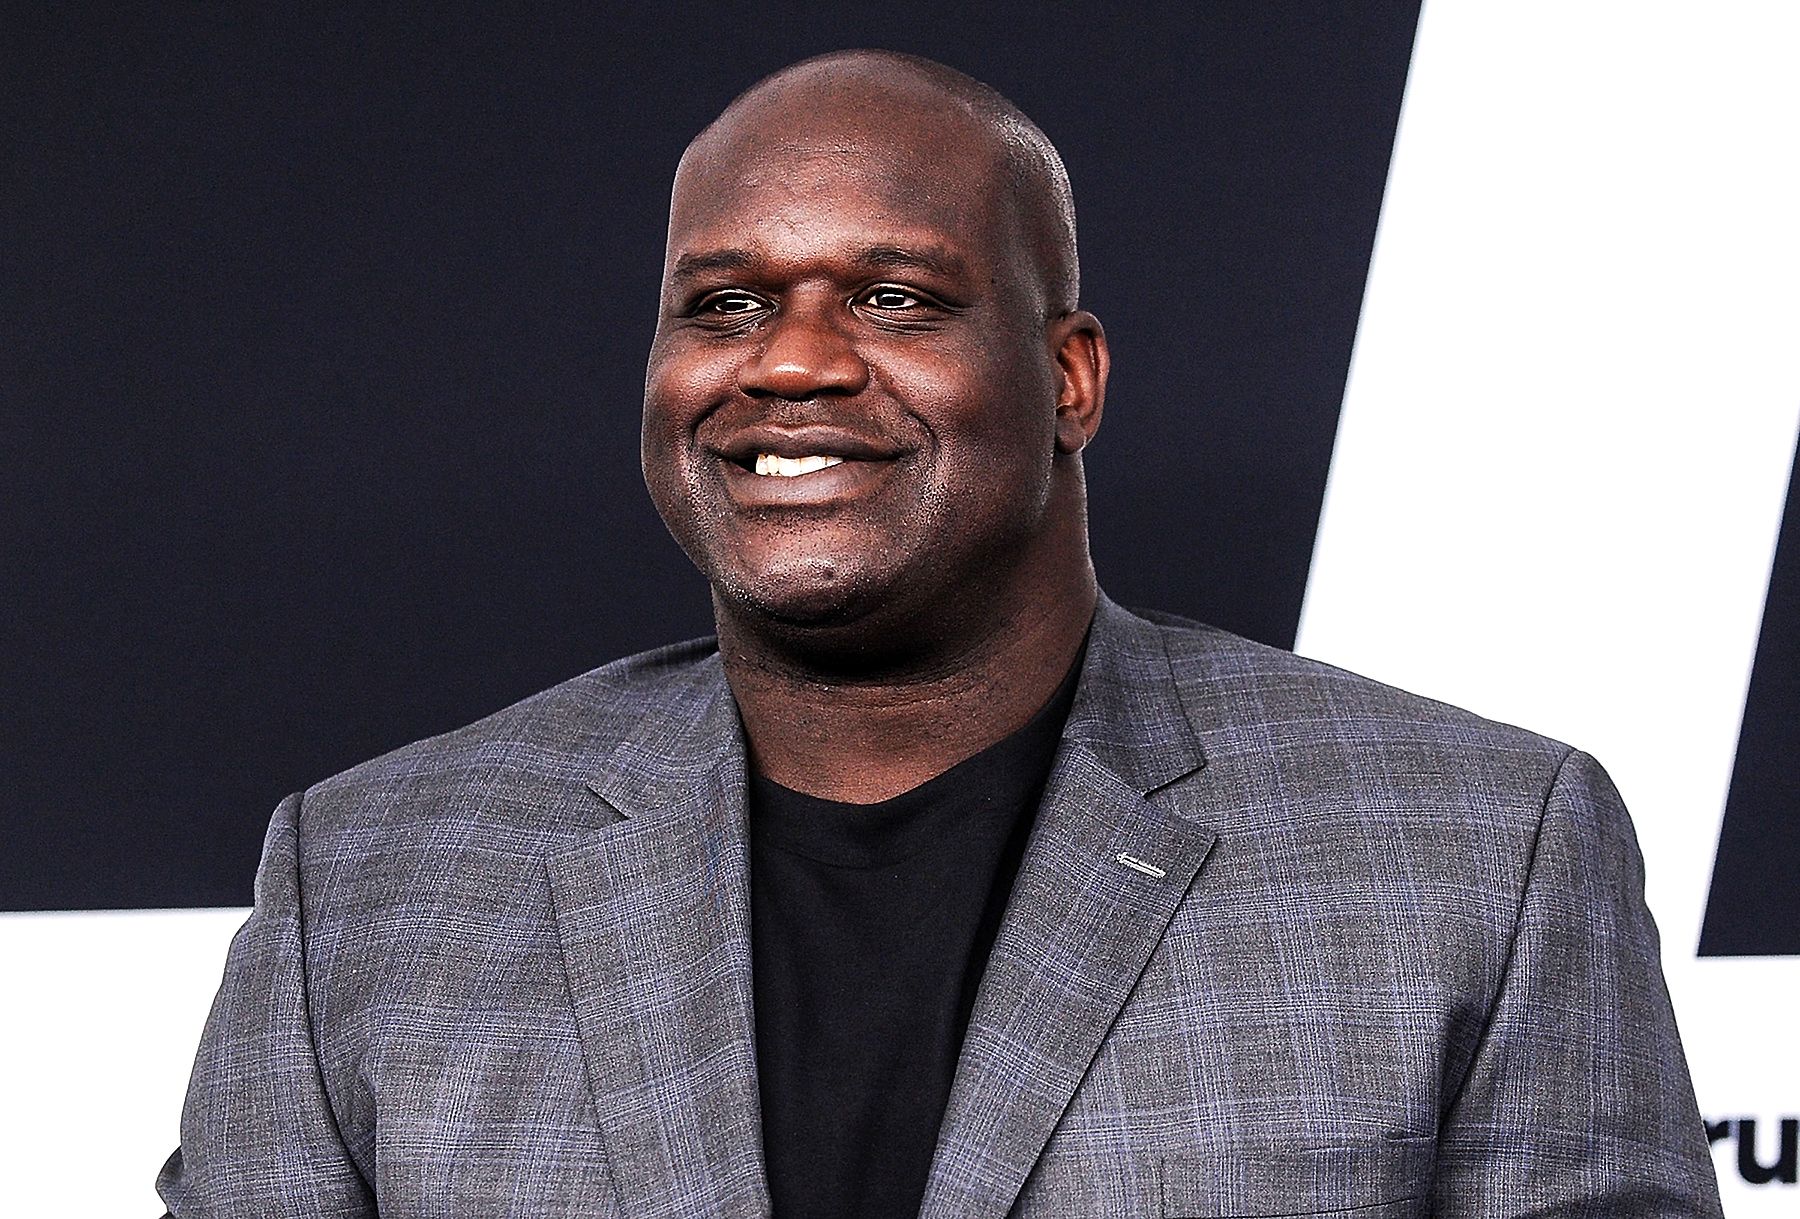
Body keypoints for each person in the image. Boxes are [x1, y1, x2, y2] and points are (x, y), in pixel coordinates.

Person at [158, 50, 1723, 1218]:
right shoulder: (369, 886)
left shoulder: (1477, 855)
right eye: (724, 303)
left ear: (1070, 379)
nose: (791, 364)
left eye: (895, 297)